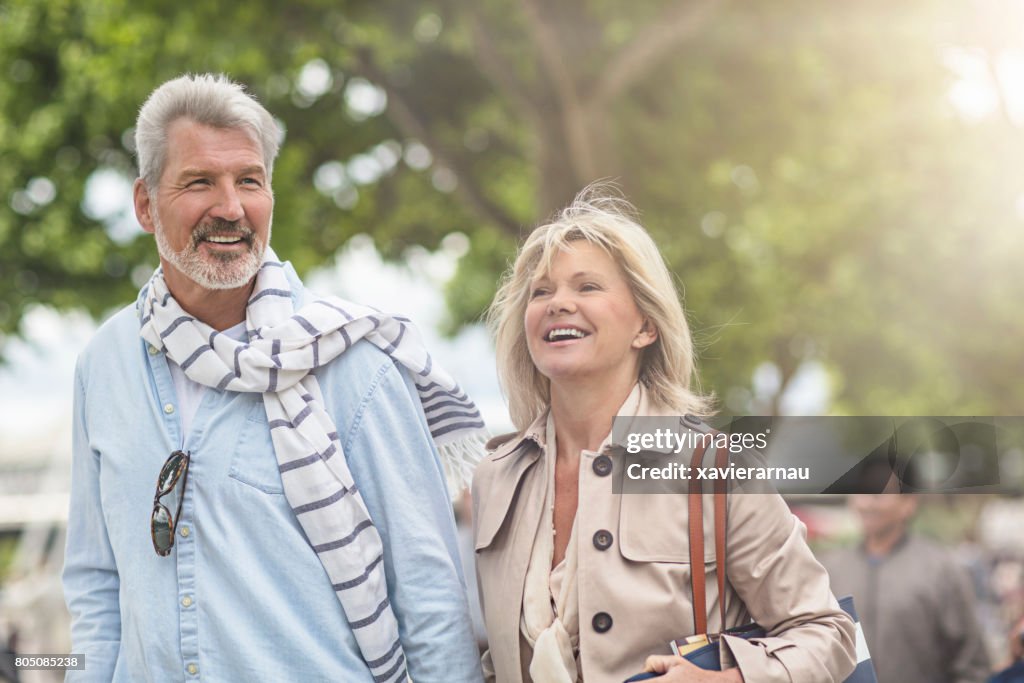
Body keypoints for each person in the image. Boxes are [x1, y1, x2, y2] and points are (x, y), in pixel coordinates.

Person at [63, 73, 485, 682]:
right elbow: (94, 584)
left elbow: (430, 596)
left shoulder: (355, 367)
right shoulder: (101, 366)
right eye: (200, 181)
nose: (230, 208)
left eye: (250, 181)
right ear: (145, 204)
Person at [473, 186, 857, 683]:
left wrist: (727, 681)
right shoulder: (495, 478)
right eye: (541, 291)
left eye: (587, 287)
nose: (558, 303)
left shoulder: (716, 466)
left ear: (646, 327)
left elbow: (827, 631)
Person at [823, 492, 991, 683]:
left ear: (908, 503)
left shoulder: (941, 569)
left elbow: (973, 664)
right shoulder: (830, 570)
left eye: (878, 494)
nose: (867, 502)